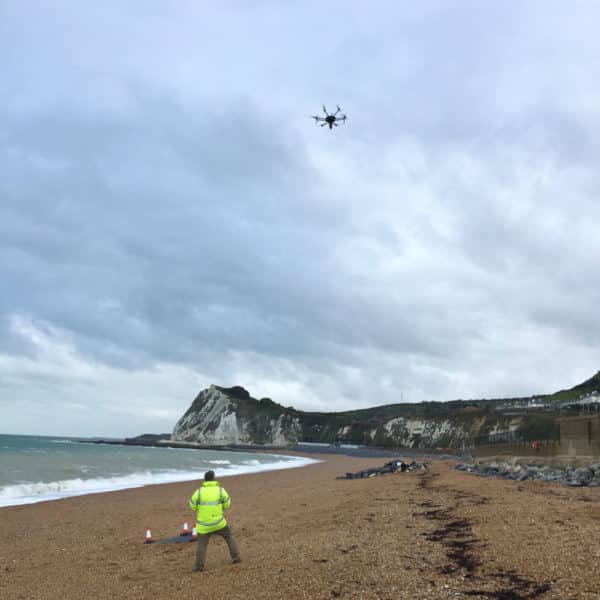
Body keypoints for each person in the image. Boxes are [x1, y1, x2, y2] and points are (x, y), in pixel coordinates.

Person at [189, 470, 241, 572]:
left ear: (204, 480)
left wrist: (200, 508)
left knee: (201, 545)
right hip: (219, 522)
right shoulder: (220, 490)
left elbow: (192, 505)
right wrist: (220, 507)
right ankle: (236, 557)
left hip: (203, 525)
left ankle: (199, 567)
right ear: (214, 478)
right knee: (229, 537)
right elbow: (227, 504)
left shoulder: (199, 492)